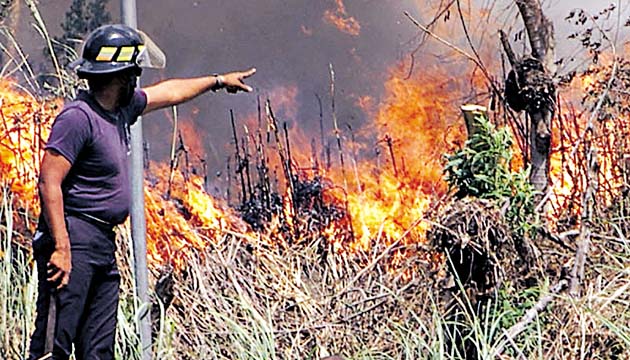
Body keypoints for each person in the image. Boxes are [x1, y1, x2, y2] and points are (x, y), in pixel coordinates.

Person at [29, 24, 255, 360]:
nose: (139, 77)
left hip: (102, 243)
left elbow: (169, 92)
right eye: (135, 71)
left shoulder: (121, 109)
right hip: (74, 236)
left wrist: (217, 81)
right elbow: (49, 182)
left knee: (99, 349)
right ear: (123, 74)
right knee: (54, 347)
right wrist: (61, 247)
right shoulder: (78, 118)